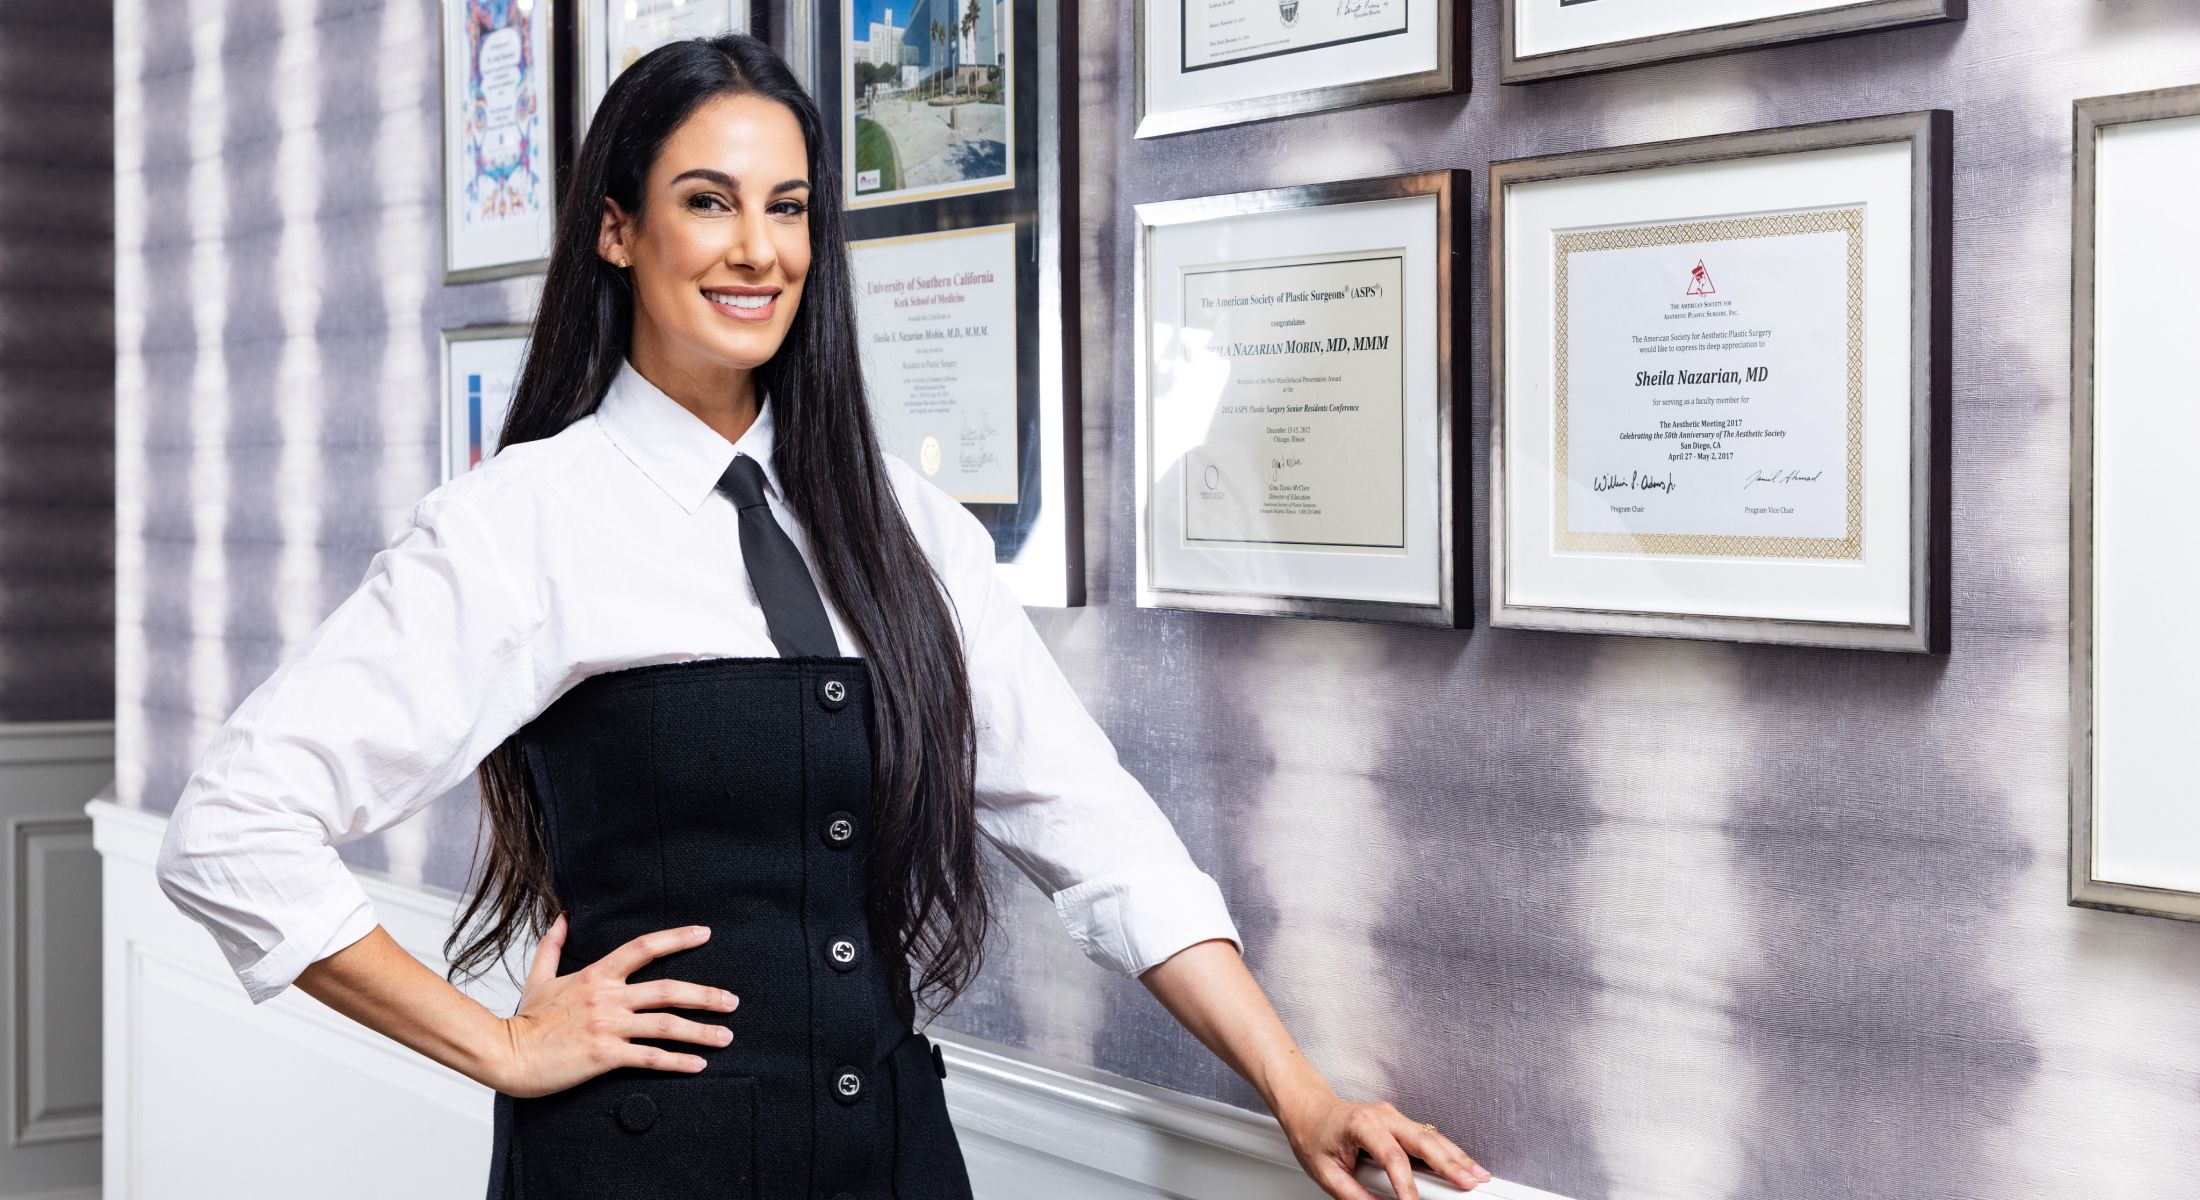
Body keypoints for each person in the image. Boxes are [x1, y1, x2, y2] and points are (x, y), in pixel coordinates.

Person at [152, 30, 1491, 1200]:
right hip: (633, 1170)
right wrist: (500, 1043)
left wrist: (1299, 1090)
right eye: (708, 201)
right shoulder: (523, 523)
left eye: (788, 207)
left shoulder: (904, 522)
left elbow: (1103, 840)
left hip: (897, 1160)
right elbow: (233, 830)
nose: (757, 249)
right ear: (617, 229)